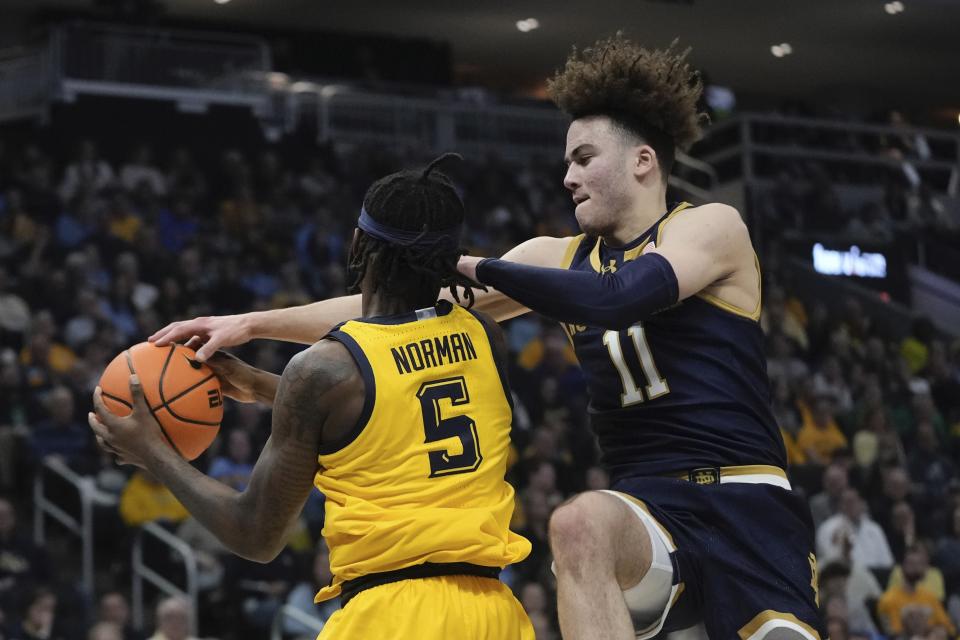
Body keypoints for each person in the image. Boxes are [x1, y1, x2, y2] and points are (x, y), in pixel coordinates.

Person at [148, 35, 823, 640]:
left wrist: (460, 260)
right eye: (566, 162)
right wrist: (254, 324)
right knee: (576, 524)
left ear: (644, 160)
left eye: (585, 158)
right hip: (648, 512)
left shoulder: (709, 227)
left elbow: (620, 299)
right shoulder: (556, 259)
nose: (568, 177)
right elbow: (386, 306)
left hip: (747, 502)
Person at [90, 156, 533, 639]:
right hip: (496, 614)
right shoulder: (486, 337)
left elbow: (254, 533)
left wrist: (151, 450)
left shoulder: (324, 370)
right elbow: (395, 418)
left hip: (392, 616)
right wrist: (263, 385)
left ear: (360, 244)